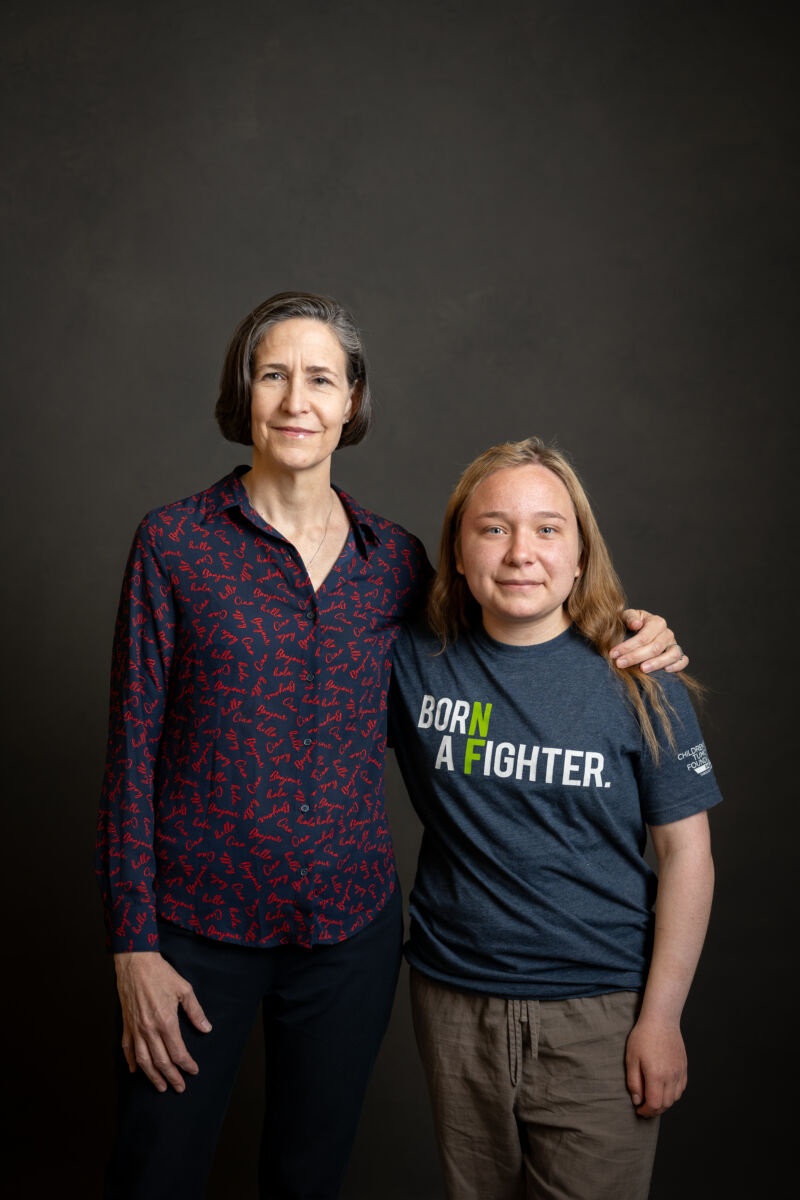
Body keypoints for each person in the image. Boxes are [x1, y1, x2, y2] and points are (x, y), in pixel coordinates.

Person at [96, 294, 687, 1200]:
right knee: (156, 1174)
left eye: (321, 378)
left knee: (309, 1177)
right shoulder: (175, 544)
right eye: (273, 374)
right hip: (193, 934)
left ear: (350, 401)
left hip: (348, 939)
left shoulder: (398, 564)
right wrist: (134, 944)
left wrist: (628, 627)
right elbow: (129, 756)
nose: (297, 399)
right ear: (244, 394)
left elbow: (513, 616)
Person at [388, 437, 720, 1200]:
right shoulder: (411, 660)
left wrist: (662, 1018)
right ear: (460, 553)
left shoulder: (640, 679)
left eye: (547, 528)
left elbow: (687, 857)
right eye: (493, 528)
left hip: (600, 1012)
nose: (519, 553)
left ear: (580, 557)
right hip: (452, 1002)